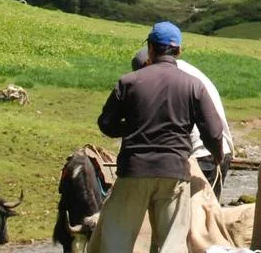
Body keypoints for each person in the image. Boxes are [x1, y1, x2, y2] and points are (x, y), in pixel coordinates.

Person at [93, 22, 226, 253]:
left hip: (134, 170)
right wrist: (218, 156)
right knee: (172, 243)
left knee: (116, 240)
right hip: (174, 172)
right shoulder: (193, 85)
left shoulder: (128, 82)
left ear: (151, 49)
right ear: (179, 51)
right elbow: (214, 132)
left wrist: (132, 127)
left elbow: (106, 123)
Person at [131, 47, 235, 199]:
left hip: (202, 155)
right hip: (217, 149)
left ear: (148, 64)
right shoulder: (183, 69)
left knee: (189, 211)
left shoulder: (167, 79)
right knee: (208, 210)